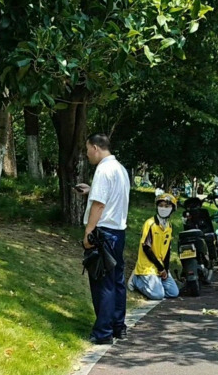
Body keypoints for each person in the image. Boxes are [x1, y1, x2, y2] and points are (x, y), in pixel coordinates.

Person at [77, 133, 130, 345]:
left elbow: (99, 205)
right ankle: (119, 327)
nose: (87, 153)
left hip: (104, 233)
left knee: (102, 283)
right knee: (117, 280)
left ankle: (103, 332)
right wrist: (91, 192)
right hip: (119, 232)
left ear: (96, 148)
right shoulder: (120, 169)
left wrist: (88, 233)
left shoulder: (103, 170)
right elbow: (110, 197)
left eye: (88, 148)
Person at [127, 193, 179, 300]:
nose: (163, 208)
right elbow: (146, 248)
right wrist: (161, 268)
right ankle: (136, 280)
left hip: (160, 267)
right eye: (161, 205)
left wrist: (166, 269)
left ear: (172, 209)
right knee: (158, 295)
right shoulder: (150, 224)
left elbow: (167, 250)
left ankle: (157, 283)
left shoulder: (169, 226)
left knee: (174, 293)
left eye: (167, 206)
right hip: (148, 267)